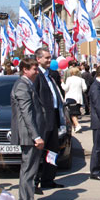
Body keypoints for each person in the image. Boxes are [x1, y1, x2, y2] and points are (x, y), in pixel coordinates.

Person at [10, 58, 46, 200]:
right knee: (28, 170)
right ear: (25, 70)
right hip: (29, 135)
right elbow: (26, 114)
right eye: (34, 69)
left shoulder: (27, 84)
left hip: (32, 134)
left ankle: (29, 199)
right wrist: (36, 136)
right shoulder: (22, 86)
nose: (37, 72)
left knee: (32, 169)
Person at [33, 48, 66, 191]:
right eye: (46, 58)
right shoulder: (36, 75)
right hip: (43, 120)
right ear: (38, 59)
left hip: (53, 118)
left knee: (52, 150)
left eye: (49, 58)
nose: (49, 60)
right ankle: (34, 183)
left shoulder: (50, 75)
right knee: (38, 154)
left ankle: (48, 179)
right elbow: (34, 99)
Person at [62, 67, 87, 133]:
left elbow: (66, 88)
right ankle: (75, 126)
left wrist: (62, 84)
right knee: (75, 112)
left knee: (72, 113)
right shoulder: (81, 79)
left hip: (71, 97)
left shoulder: (69, 79)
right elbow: (85, 88)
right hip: (79, 98)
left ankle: (77, 125)